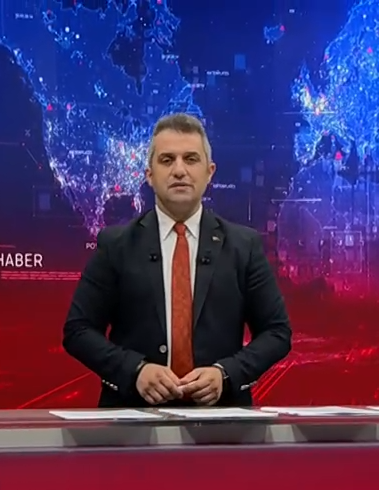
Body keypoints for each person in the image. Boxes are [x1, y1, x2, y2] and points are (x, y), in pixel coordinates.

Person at [63, 113, 292, 407]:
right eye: (167, 160)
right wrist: (135, 370)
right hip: (133, 417)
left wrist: (226, 373)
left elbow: (277, 333)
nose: (179, 170)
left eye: (191, 159)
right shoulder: (116, 245)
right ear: (149, 175)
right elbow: (78, 330)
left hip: (220, 420)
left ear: (209, 172)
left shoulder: (243, 246)